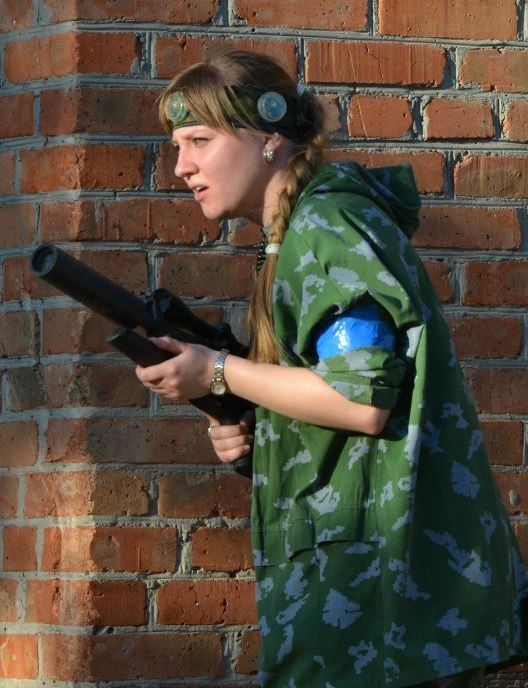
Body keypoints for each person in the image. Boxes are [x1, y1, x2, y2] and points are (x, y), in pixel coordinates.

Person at [136, 49, 528, 688]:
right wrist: (254, 431)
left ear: (269, 137)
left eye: (200, 141)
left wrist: (220, 372)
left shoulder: (327, 224)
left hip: (387, 612)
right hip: (368, 598)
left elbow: (361, 400)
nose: (181, 166)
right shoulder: (297, 233)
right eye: (177, 145)